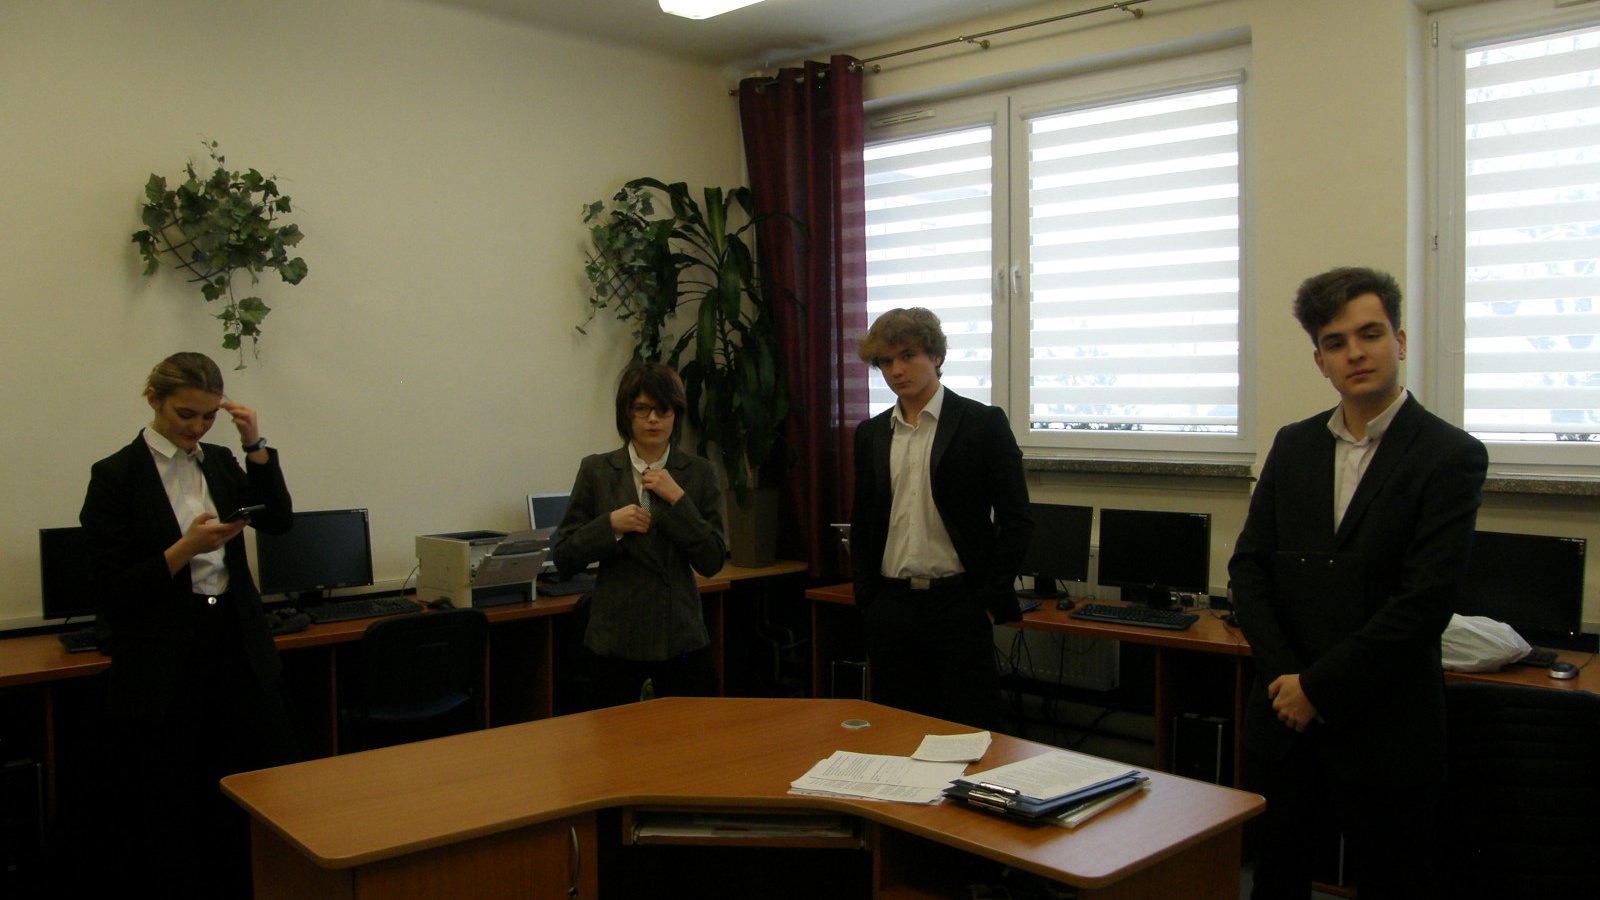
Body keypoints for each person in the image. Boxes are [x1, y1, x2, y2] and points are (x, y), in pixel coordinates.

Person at [1228, 268, 1487, 900]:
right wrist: (1286, 680)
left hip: (1386, 725)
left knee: (1394, 881)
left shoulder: (1449, 455)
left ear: (1399, 340)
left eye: (1370, 334)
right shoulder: (1294, 445)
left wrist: (1318, 688)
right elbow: (1250, 571)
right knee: (1275, 879)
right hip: (1286, 720)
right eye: (1336, 343)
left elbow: (1424, 602)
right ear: (1320, 361)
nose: (1356, 353)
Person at [79, 351, 301, 895]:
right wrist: (184, 549)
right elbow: (111, 588)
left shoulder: (220, 462)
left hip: (234, 642)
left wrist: (255, 445)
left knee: (257, 780)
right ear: (153, 399)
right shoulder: (115, 475)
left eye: (207, 416)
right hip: (164, 657)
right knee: (174, 797)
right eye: (185, 414)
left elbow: (277, 521)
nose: (197, 427)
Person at [849, 307, 1032, 731]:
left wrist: (987, 602)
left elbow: (1017, 520)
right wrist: (868, 599)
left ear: (935, 356)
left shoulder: (982, 424)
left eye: (907, 355)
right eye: (885, 361)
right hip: (891, 606)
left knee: (969, 734)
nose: (896, 370)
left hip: (958, 605)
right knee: (896, 733)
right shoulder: (871, 434)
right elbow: (862, 521)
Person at [553, 362, 726, 708]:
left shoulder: (699, 473)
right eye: (642, 409)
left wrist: (678, 501)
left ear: (676, 414)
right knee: (611, 738)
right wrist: (610, 526)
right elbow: (564, 556)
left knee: (686, 735)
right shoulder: (597, 470)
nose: (653, 419)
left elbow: (712, 561)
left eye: (663, 410)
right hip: (615, 637)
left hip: (679, 635)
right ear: (626, 413)